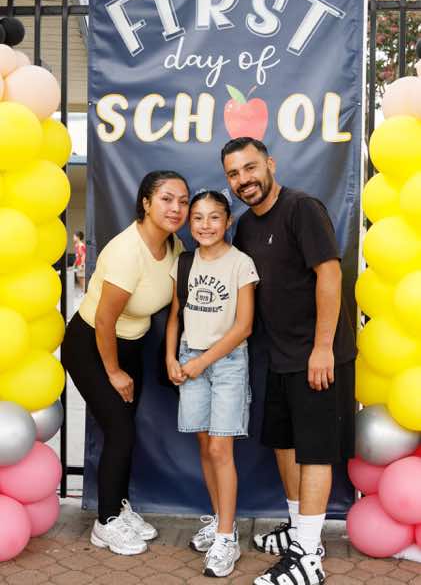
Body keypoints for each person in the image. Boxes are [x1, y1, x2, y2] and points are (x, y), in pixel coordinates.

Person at [221, 137, 356, 585]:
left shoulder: (302, 209)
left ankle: (308, 558)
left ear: (270, 164)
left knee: (314, 451)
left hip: (317, 356)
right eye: (234, 174)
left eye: (250, 168)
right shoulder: (245, 226)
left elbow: (330, 275)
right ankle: (300, 531)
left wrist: (323, 347)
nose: (243, 180)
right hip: (279, 357)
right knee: (285, 444)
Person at [62, 170, 190, 556]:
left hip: (131, 345)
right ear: (146, 203)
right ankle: (105, 524)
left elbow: (175, 305)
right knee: (120, 432)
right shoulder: (126, 251)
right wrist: (114, 372)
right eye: (166, 199)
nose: (177, 208)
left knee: (125, 430)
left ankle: (117, 508)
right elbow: (104, 320)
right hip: (91, 344)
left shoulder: (174, 245)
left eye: (183, 201)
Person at [166, 190, 259, 577]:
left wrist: (202, 362)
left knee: (221, 448)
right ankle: (224, 521)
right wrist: (171, 358)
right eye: (198, 218)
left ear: (228, 221)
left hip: (226, 363)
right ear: (190, 223)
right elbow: (176, 315)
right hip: (189, 357)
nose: (206, 225)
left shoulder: (241, 263)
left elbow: (244, 326)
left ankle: (225, 539)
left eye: (214, 217)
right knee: (205, 446)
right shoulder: (185, 262)